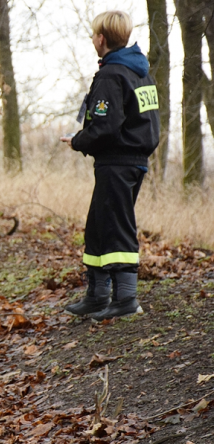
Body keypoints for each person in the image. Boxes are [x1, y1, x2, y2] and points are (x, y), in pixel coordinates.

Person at [61, 10, 159, 320]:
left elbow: (105, 126)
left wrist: (79, 140)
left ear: (101, 39)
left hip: (117, 163)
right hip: (132, 161)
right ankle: (97, 294)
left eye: (93, 35)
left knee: (116, 227)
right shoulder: (140, 72)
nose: (92, 40)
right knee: (99, 225)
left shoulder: (111, 75)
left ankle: (126, 297)